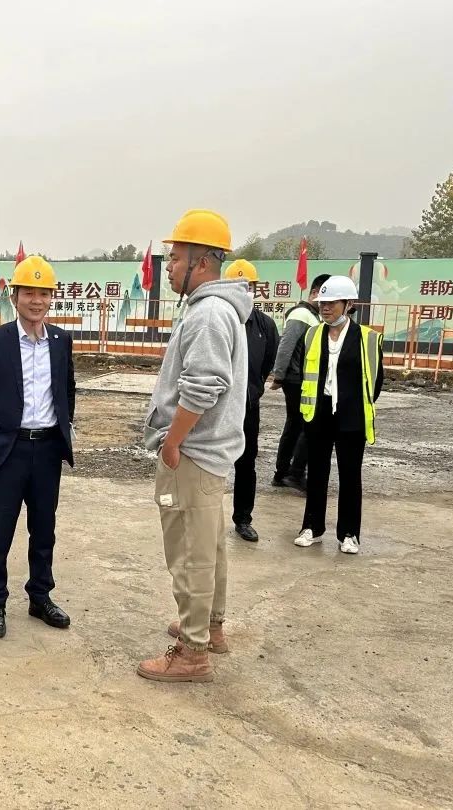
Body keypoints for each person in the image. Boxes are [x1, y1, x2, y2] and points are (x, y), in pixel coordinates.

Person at [137, 209, 252, 684]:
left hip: (193, 453)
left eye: (175, 257)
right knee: (209, 546)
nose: (168, 266)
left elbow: (202, 387)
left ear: (201, 262)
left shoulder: (207, 314)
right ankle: (210, 627)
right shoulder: (218, 309)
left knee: (189, 551)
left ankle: (192, 651)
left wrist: (172, 442)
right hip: (209, 454)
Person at [0, 256, 76, 639]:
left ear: (51, 298)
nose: (37, 301)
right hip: (7, 451)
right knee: (0, 531)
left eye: (44, 294)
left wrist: (65, 430)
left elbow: (67, 390)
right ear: (15, 297)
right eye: (29, 293)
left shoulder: (61, 341)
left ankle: (40, 597)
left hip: (47, 450)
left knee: (44, 530)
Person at [293, 276, 383, 554]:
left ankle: (349, 534)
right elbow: (304, 372)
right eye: (323, 303)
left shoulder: (367, 338)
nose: (325, 308)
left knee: (350, 475)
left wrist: (353, 402)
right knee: (317, 473)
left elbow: (376, 380)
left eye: (332, 303)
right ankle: (312, 527)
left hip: (351, 415)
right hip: (318, 413)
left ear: (348, 304)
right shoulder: (312, 335)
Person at [224, 260, 278, 542]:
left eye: (249, 286)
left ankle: (243, 518)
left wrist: (253, 390)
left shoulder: (264, 325)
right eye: (237, 286)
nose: (244, 291)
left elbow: (268, 362)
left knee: (246, 464)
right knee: (209, 463)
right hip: (217, 408)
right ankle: (204, 517)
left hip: (247, 407)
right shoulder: (218, 319)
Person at [270, 274, 331, 491]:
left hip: (301, 379)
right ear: (314, 293)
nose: (326, 304)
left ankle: (284, 473)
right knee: (304, 425)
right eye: (324, 297)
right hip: (296, 379)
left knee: (296, 425)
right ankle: (293, 473)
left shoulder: (312, 315)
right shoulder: (301, 314)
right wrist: (279, 375)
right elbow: (286, 345)